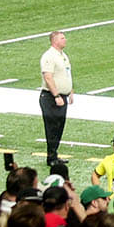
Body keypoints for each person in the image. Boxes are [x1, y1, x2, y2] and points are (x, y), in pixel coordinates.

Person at [38, 30, 72, 172]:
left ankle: (54, 154)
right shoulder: (49, 56)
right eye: (62, 38)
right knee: (52, 128)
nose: (65, 40)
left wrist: (70, 90)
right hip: (51, 97)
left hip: (61, 96)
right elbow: (48, 77)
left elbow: (67, 74)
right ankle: (51, 157)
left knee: (59, 127)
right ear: (54, 40)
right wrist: (56, 95)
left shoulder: (63, 56)